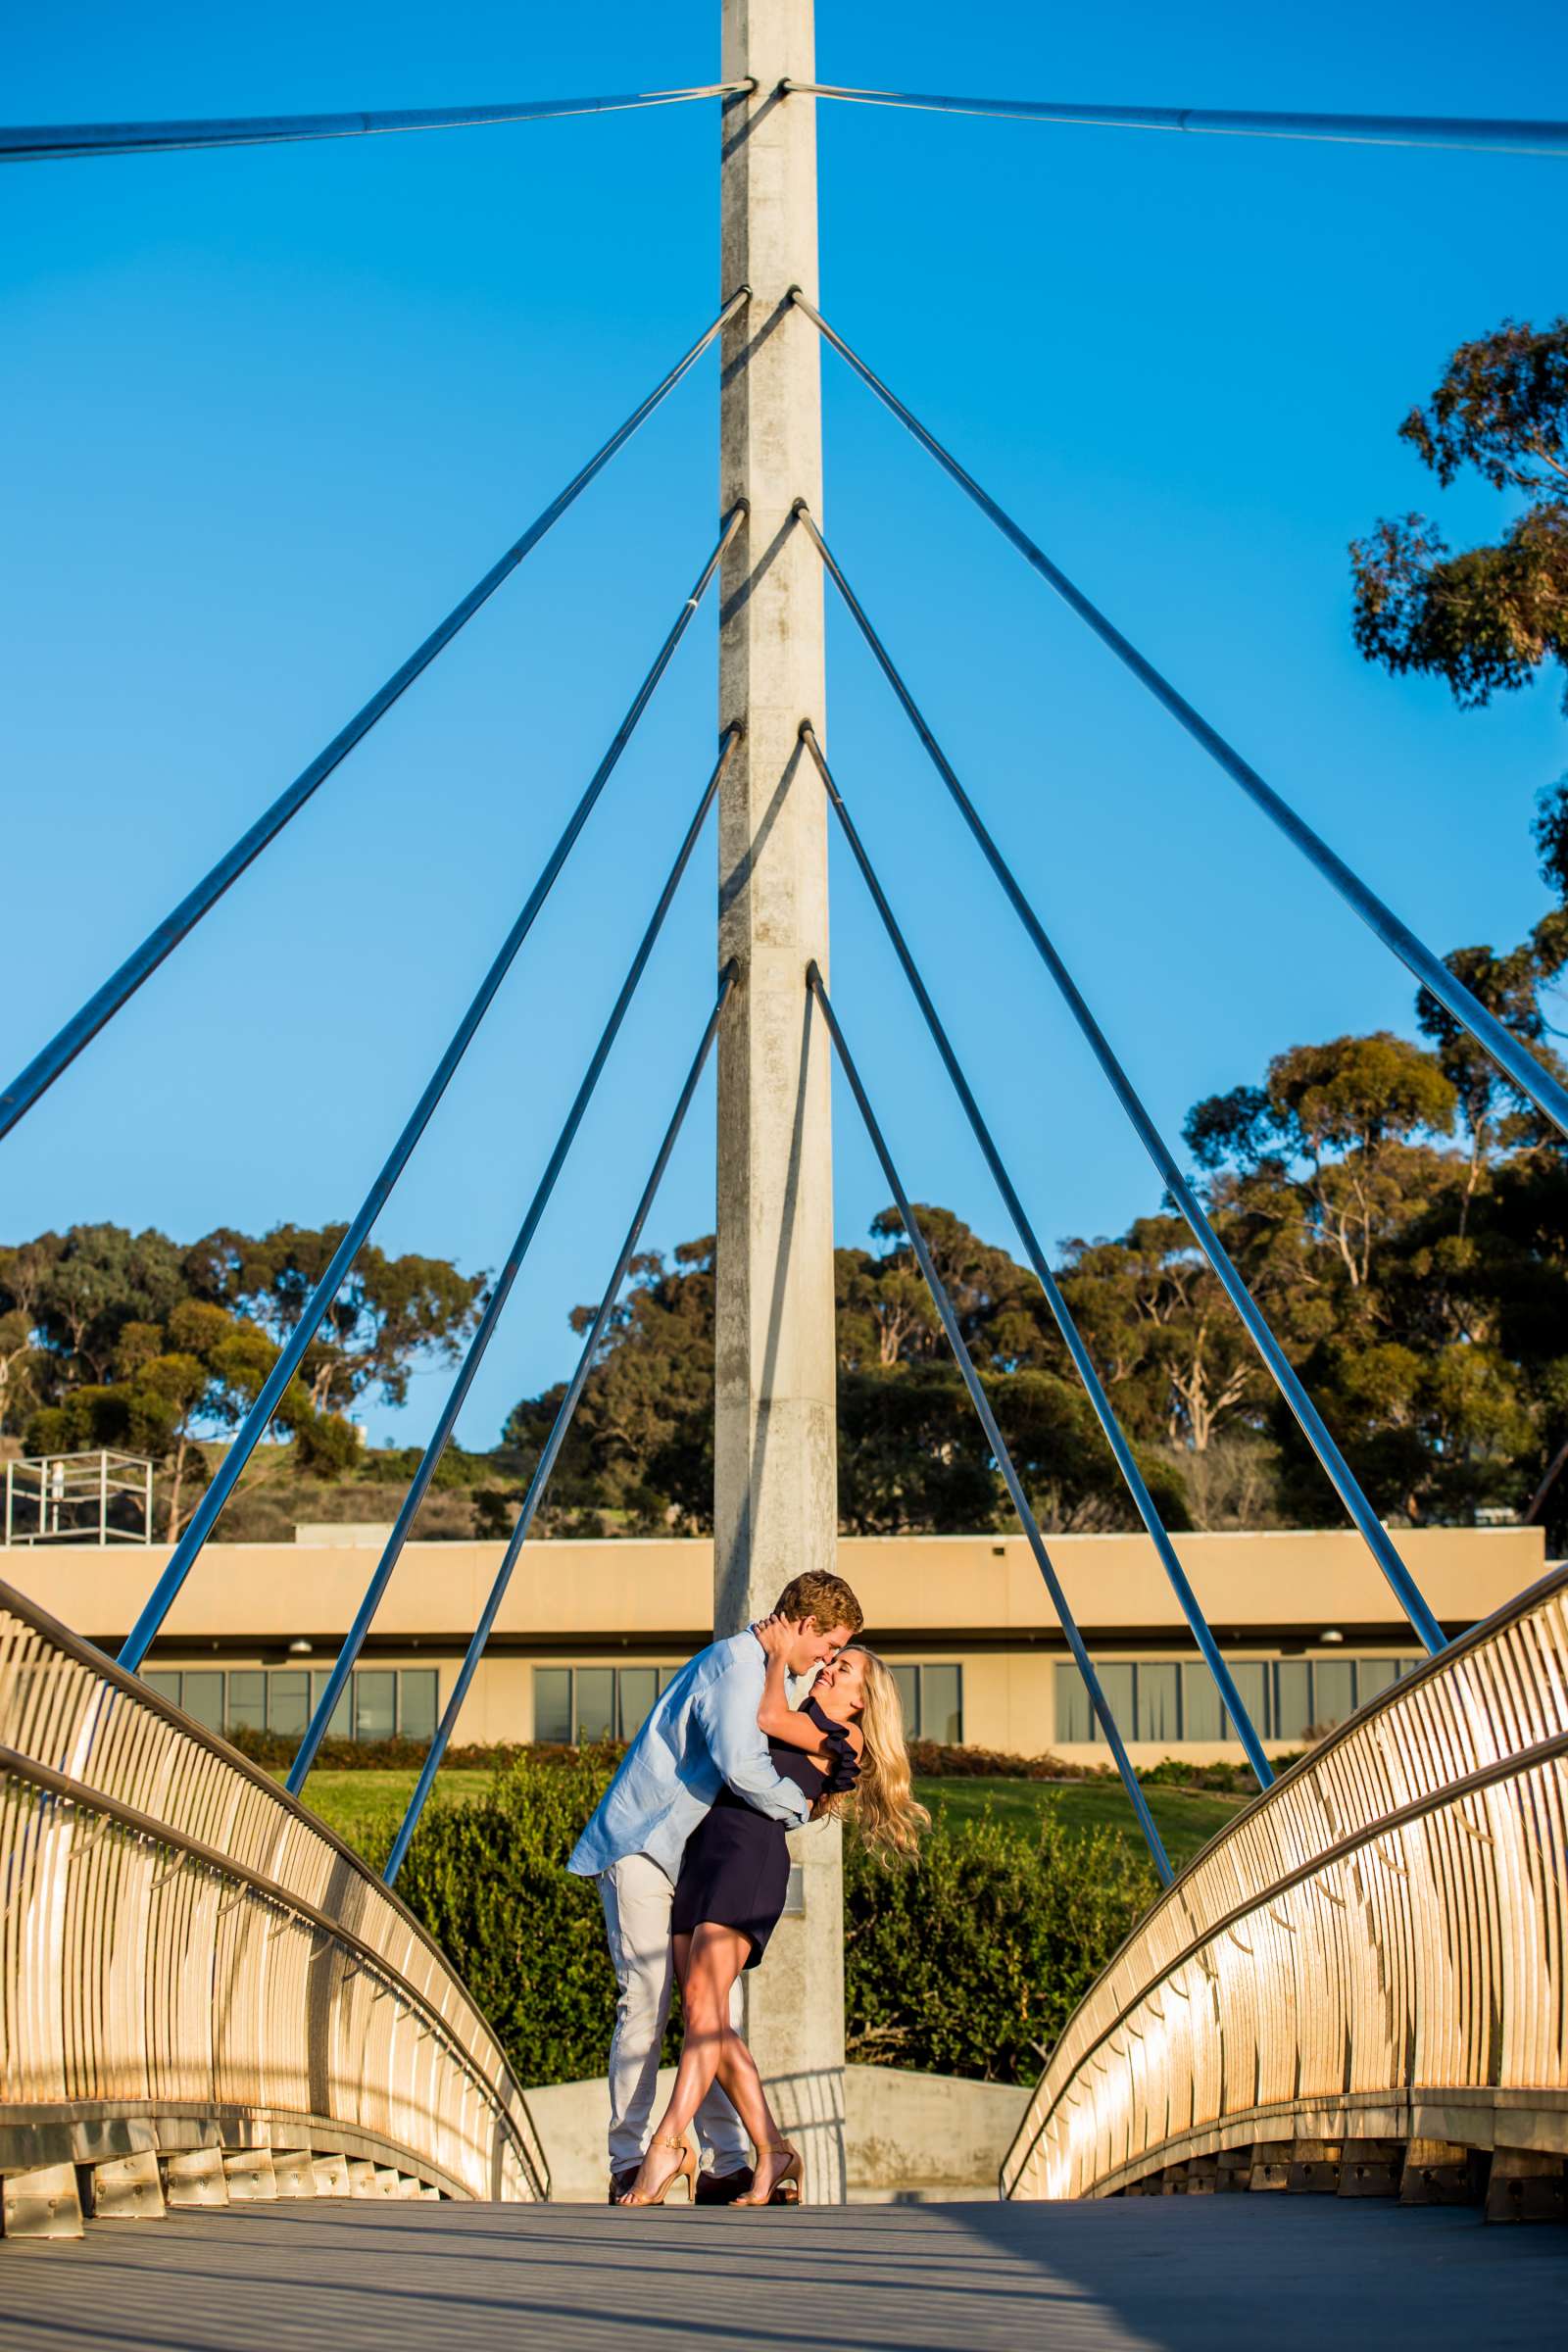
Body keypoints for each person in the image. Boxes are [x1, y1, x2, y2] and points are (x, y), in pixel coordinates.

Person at [567, 1569, 864, 2205]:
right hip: (644, 1848)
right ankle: (630, 2158)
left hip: (689, 1857)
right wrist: (801, 1809)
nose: (829, 1660)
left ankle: (728, 2160)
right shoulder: (735, 1668)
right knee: (646, 2001)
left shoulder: (771, 1670)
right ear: (806, 1624)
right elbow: (742, 1763)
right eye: (830, 1645)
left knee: (710, 2012)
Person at [618, 1616, 928, 2208]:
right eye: (833, 1657)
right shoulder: (800, 1707)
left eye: (844, 1668)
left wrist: (777, 1657)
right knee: (704, 2015)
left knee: (705, 2010)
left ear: (861, 1701)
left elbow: (764, 1721)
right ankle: (773, 2148)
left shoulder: (845, 1739)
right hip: (705, 1856)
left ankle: (667, 2143)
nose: (829, 1666)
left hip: (748, 1863)